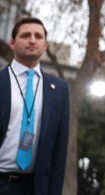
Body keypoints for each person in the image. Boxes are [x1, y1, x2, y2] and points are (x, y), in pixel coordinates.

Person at [0, 17, 69, 195]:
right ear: (12, 43)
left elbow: (59, 151)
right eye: (25, 35)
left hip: (35, 187)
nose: (32, 40)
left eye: (38, 36)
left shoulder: (59, 89)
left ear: (45, 45)